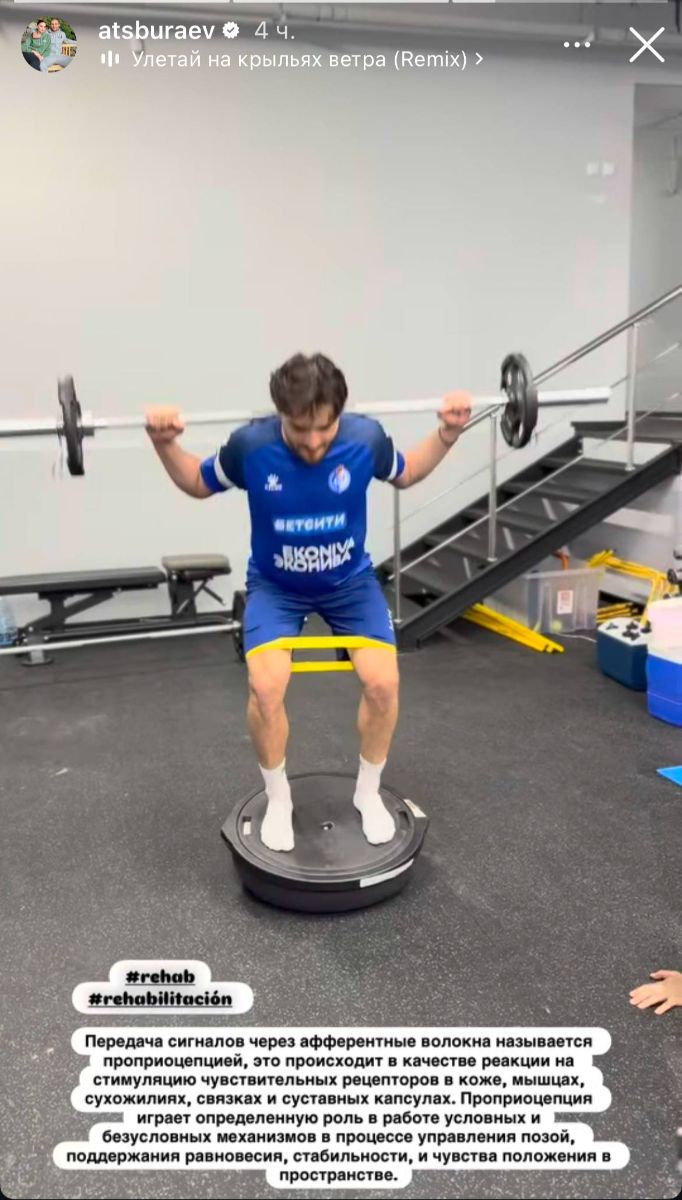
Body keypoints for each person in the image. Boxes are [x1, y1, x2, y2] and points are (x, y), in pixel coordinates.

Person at [146, 353, 471, 853]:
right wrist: (164, 443)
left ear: (340, 414)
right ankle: (278, 798)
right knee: (265, 687)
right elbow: (196, 482)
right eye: (300, 429)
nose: (314, 441)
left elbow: (406, 473)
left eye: (324, 428)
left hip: (349, 583)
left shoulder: (365, 439)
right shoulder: (251, 446)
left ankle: (368, 793)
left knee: (383, 682)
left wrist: (448, 433)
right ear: (280, 413)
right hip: (277, 586)